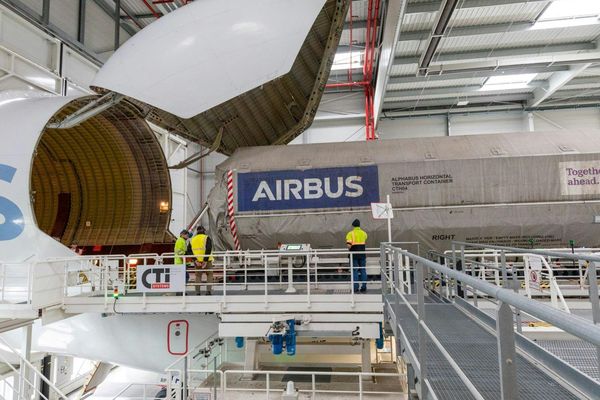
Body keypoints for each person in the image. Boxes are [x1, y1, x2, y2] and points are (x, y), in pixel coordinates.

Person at [346, 219, 368, 293]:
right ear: (359, 225)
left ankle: (355, 288)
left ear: (353, 225)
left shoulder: (350, 234)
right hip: (362, 254)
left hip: (354, 255)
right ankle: (364, 287)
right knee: (363, 270)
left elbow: (349, 245)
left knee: (354, 270)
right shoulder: (364, 233)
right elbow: (364, 240)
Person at [191, 226, 214, 295]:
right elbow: (208, 249)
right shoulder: (206, 238)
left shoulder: (192, 239)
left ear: (197, 231)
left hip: (197, 262)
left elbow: (189, 251)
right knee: (209, 275)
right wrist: (205, 260)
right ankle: (208, 291)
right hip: (207, 261)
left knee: (198, 276)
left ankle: (197, 292)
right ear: (204, 231)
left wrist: (195, 260)